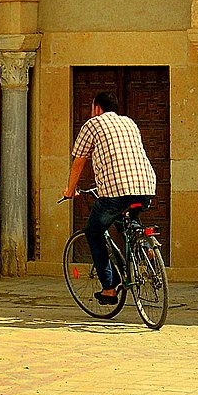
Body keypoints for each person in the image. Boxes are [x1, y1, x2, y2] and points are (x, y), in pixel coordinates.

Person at [64, 90, 156, 306]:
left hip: (116, 191)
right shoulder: (130, 123)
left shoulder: (92, 124)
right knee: (127, 222)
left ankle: (109, 288)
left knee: (93, 232)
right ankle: (146, 249)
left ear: (97, 108)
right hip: (146, 186)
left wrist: (70, 189)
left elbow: (79, 161)